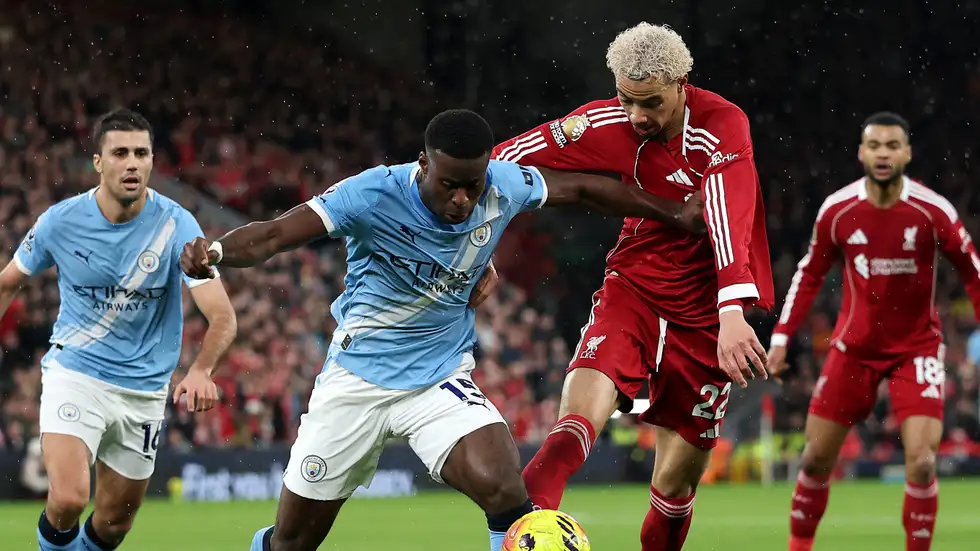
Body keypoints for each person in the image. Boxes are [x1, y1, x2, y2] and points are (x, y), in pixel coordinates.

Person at [178, 109, 704, 551]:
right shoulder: (372, 194)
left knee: (506, 491)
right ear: (424, 163)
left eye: (471, 188)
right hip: (355, 383)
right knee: (292, 543)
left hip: (438, 381)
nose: (460, 200)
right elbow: (273, 235)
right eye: (448, 185)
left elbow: (585, 188)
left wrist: (672, 214)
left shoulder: (503, 185)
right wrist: (217, 251)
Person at [492, 22, 774, 551]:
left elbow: (727, 211)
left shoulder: (721, 123)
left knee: (675, 486)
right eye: (627, 99)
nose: (638, 115)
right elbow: (502, 161)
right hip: (635, 287)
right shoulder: (603, 122)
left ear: (682, 83)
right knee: (571, 429)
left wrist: (733, 310)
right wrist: (467, 239)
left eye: (651, 102)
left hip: (706, 312)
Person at [0, 108, 237, 551]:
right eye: (120, 153)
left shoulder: (178, 227)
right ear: (98, 162)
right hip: (76, 375)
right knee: (70, 498)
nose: (132, 163)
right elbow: (8, 283)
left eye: (141, 153)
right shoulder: (61, 221)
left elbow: (222, 315)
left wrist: (203, 369)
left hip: (143, 391)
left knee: (113, 525)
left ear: (152, 161)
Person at [767, 112, 980, 551]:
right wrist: (781, 338)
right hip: (854, 349)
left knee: (921, 462)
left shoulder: (932, 210)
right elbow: (809, 274)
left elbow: (972, 273)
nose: (883, 153)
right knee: (816, 458)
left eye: (892, 145)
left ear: (906, 153)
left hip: (916, 349)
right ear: (862, 153)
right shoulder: (838, 210)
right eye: (875, 145)